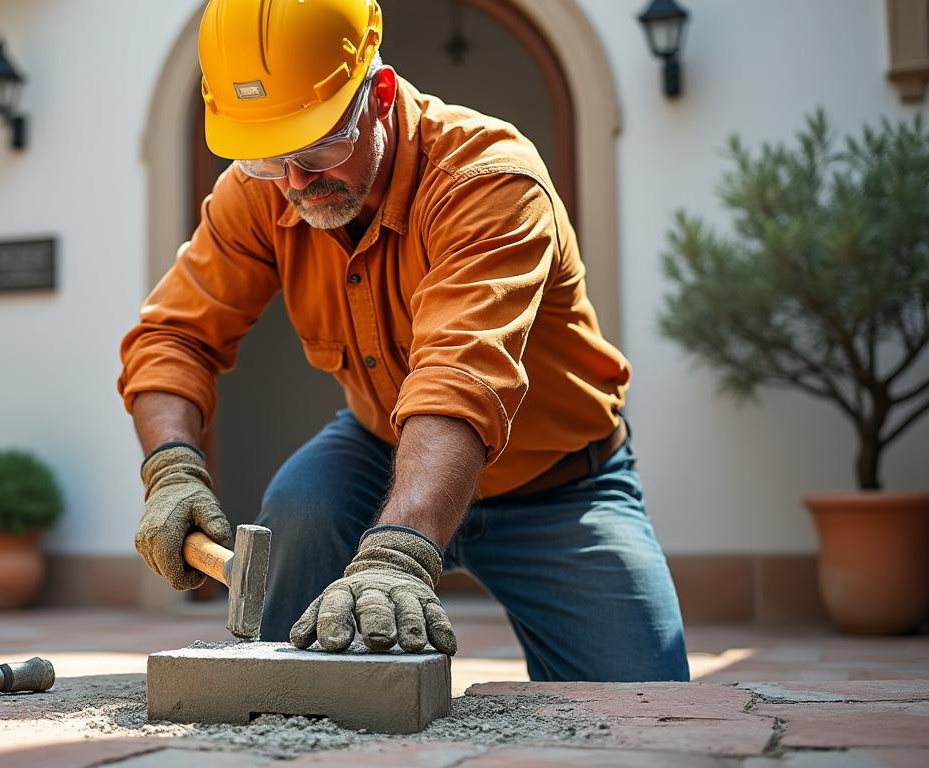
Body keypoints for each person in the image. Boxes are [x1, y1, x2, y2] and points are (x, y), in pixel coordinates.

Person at [119, 0, 689, 682]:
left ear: (381, 95)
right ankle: (278, 704)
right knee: (304, 506)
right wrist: (171, 469)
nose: (295, 181)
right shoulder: (259, 189)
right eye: (270, 157)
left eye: (319, 146)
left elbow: (460, 377)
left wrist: (397, 553)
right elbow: (173, 335)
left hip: (558, 487)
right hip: (381, 450)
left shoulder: (489, 180)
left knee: (644, 705)